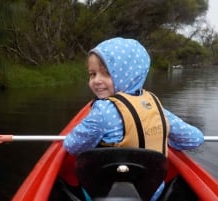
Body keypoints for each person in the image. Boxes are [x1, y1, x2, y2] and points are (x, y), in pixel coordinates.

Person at [63, 37, 204, 201]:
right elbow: (195, 139)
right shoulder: (156, 108)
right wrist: (165, 137)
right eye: (92, 74)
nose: (96, 81)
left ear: (128, 74)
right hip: (151, 192)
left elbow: (72, 146)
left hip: (101, 190)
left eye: (107, 73)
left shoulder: (101, 112)